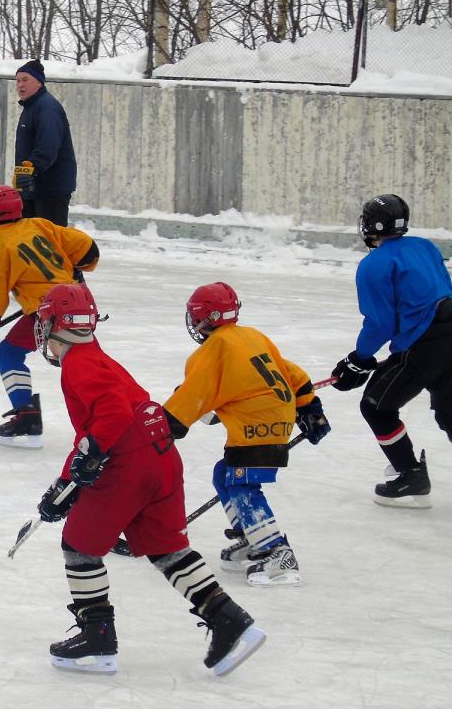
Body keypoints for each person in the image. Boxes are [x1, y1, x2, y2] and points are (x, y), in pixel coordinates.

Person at [32, 283, 265, 677]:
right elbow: (110, 419)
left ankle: (97, 637)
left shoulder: (78, 364)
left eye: (43, 321)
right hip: (161, 455)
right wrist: (68, 480)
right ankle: (230, 621)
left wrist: (80, 471)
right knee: (165, 547)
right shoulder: (98, 357)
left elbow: (111, 417)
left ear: (55, 323)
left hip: (132, 461)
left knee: (79, 545)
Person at [162, 282, 330, 586]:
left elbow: (195, 393)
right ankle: (253, 536)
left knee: (242, 486)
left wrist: (168, 425)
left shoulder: (215, 348)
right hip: (274, 420)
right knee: (224, 473)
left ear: (205, 318)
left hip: (257, 426)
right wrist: (310, 410)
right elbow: (293, 375)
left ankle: (276, 553)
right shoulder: (252, 336)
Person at [330, 194, 452, 508]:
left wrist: (358, 358)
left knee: (376, 406)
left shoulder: (374, 265)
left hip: (423, 346)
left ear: (371, 226)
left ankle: (410, 474)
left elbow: (380, 323)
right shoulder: (424, 246)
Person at [0, 185, 98, 448]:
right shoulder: (40, 224)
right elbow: (88, 250)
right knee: (87, 360)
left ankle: (27, 416)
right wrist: (74, 269)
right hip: (79, 301)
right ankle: (112, 412)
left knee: (9, 354)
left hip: (49, 312)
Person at [13, 60, 77, 226]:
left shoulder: (46, 107)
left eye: (25, 80)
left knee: (49, 241)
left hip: (50, 189)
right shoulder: (31, 108)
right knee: (30, 238)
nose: (20, 85)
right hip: (33, 186)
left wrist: (30, 169)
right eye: (18, 80)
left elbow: (48, 146)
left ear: (39, 82)